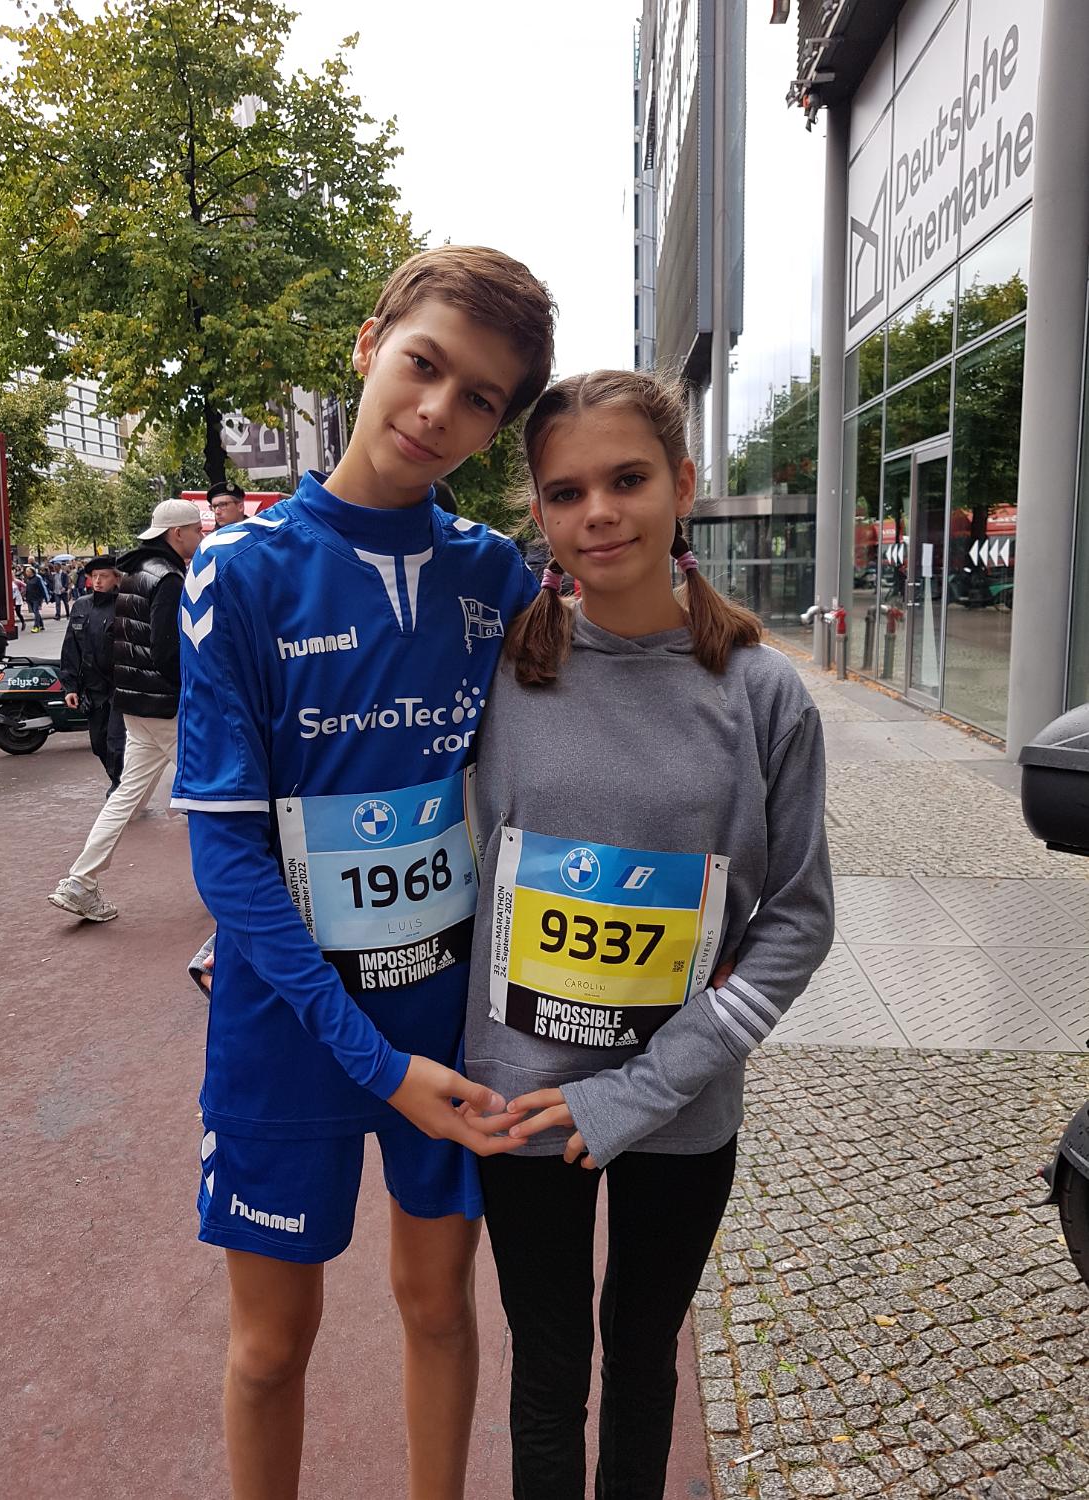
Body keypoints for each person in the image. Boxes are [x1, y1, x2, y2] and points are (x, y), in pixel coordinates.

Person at [170, 244, 555, 1500]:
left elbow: (606, 696)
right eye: (424, 364)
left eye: (480, 398)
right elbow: (227, 861)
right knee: (271, 1348)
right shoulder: (239, 571)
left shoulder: (496, 575)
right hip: (289, 1027)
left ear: (498, 425)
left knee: (439, 1310)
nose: (439, 409)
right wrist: (372, 1061)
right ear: (370, 344)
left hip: (446, 1021)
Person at [459, 370, 835, 1500]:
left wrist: (646, 1085)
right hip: (520, 1103)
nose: (599, 514)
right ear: (538, 510)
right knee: (546, 1370)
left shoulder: (763, 694)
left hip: (680, 1105)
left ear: (682, 484)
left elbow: (798, 918)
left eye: (627, 481)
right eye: (566, 492)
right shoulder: (499, 675)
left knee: (641, 1357)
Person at [47, 499, 203, 922]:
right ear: (177, 534)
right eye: (196, 529)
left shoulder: (135, 572)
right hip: (164, 706)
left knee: (125, 797)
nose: (200, 535)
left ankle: (80, 881)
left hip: (134, 705)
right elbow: (168, 652)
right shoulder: (168, 577)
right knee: (214, 794)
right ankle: (247, 884)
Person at [59, 555, 126, 794]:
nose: (97, 581)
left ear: (116, 578)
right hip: (93, 688)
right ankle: (118, 781)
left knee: (117, 742)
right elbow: (71, 648)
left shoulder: (125, 604)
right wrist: (70, 687)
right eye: (94, 576)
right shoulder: (81, 606)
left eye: (103, 576)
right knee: (98, 742)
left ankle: (119, 787)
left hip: (119, 686)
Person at [24, 566, 46, 632]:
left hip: (36, 598)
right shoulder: (28, 579)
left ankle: (36, 626)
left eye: (28, 571)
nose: (26, 573)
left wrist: (42, 599)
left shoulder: (37, 579)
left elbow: (42, 589)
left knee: (36, 611)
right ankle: (41, 625)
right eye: (26, 571)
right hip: (30, 598)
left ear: (32, 572)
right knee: (35, 612)